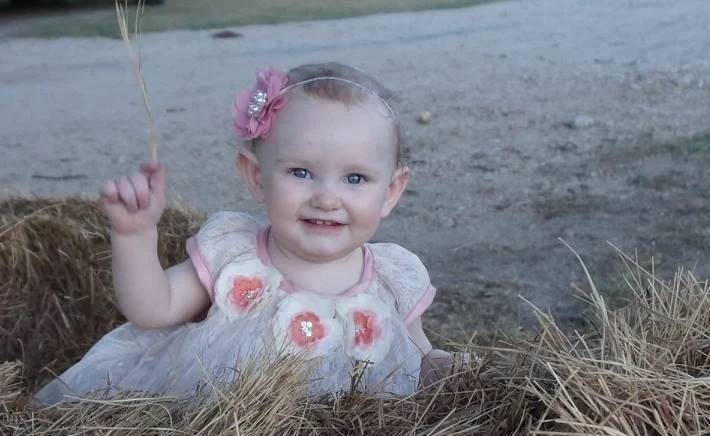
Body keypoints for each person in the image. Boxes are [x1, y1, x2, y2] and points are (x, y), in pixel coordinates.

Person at [35, 62, 452, 404]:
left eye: (356, 179)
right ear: (256, 177)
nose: (327, 197)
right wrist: (134, 235)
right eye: (301, 172)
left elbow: (415, 357)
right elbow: (152, 309)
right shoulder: (235, 258)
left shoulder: (393, 279)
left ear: (391, 191)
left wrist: (446, 368)